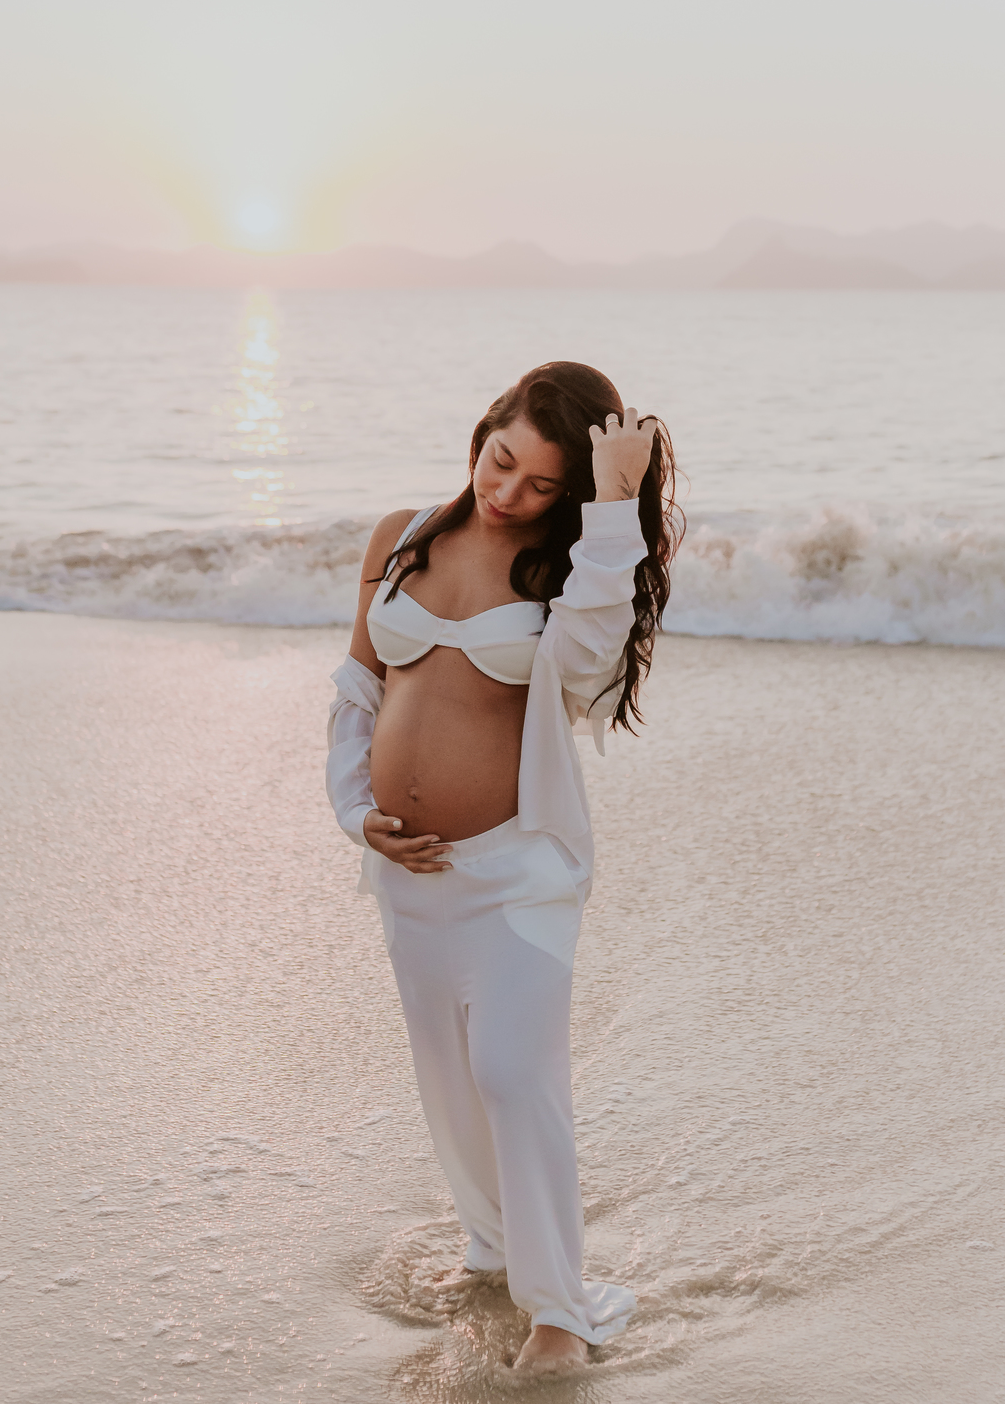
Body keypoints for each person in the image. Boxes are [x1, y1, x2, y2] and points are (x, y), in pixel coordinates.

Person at [326, 361, 680, 1374]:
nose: (510, 493)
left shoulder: (565, 577)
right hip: (410, 878)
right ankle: (493, 1248)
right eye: (501, 460)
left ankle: (561, 1315)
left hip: (517, 875)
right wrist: (358, 815)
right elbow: (358, 690)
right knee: (450, 1082)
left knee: (513, 1076)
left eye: (542, 486)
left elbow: (585, 664)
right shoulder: (401, 538)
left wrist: (614, 505)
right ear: (484, 430)